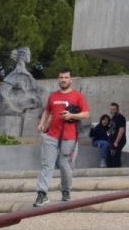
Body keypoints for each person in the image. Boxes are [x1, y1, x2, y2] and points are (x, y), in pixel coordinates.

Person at [33, 68, 88, 207]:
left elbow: (86, 114)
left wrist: (71, 116)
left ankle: (65, 190)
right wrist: (42, 124)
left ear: (70, 79)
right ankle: (42, 193)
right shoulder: (53, 96)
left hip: (69, 136)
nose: (63, 80)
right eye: (61, 77)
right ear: (58, 79)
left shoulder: (77, 96)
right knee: (47, 164)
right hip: (52, 135)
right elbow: (47, 111)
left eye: (66, 77)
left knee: (65, 165)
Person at [106, 101, 127, 168]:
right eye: (111, 109)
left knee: (115, 157)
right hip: (112, 141)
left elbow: (121, 130)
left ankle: (117, 172)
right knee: (110, 157)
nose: (112, 111)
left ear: (117, 109)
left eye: (113, 109)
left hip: (118, 141)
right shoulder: (113, 118)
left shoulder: (120, 117)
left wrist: (116, 141)